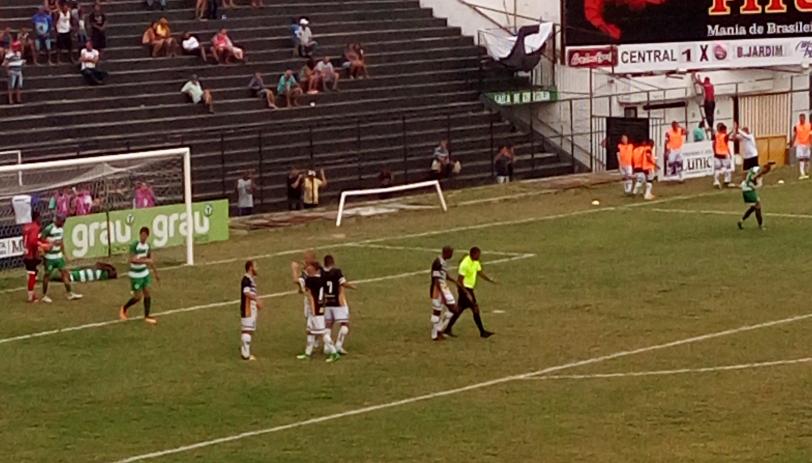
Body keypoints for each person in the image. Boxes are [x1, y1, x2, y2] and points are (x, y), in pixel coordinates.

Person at [443, 247, 496, 338]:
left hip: (469, 289)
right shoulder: (465, 264)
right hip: (464, 289)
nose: (479, 256)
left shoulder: (476, 262)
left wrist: (489, 279)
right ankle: (482, 332)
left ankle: (447, 329)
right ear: (472, 254)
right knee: (475, 308)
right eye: (477, 255)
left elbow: (479, 272)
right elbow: (460, 281)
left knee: (459, 310)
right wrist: (466, 293)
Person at [296, 262, 340, 362]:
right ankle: (307, 353)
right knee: (310, 332)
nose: (307, 268)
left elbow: (309, 295)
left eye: (309, 266)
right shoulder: (321, 279)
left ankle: (334, 353)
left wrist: (313, 309)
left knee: (322, 332)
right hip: (319, 307)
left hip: (314, 309)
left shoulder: (311, 280)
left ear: (314, 268)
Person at [119, 226, 159, 324]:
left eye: (145, 235)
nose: (143, 237)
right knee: (137, 297)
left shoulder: (147, 246)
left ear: (147, 236)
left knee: (147, 293)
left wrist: (156, 273)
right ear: (140, 235)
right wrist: (144, 260)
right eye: (142, 235)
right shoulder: (135, 245)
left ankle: (147, 315)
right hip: (135, 275)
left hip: (144, 273)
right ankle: (124, 308)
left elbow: (151, 260)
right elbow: (132, 259)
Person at [40, 215, 83, 303]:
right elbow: (41, 240)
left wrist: (64, 253)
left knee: (64, 273)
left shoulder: (61, 230)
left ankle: (69, 293)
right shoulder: (49, 229)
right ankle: (44, 295)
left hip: (58, 256)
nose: (63, 224)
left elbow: (61, 242)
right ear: (57, 220)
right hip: (50, 257)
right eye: (62, 222)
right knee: (47, 275)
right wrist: (47, 247)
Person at [322, 255, 355, 354]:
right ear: (333, 262)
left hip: (327, 302)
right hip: (337, 302)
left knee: (328, 325)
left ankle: (327, 347)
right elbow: (343, 283)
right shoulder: (336, 272)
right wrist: (352, 286)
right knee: (344, 325)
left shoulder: (322, 273)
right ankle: (338, 346)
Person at [430, 246, 458, 341]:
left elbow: (443, 274)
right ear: (446, 253)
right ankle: (435, 334)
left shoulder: (443, 261)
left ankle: (439, 329)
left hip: (444, 288)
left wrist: (453, 280)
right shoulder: (437, 262)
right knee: (437, 311)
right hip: (438, 289)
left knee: (453, 309)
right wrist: (441, 293)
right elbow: (436, 279)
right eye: (451, 253)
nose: (452, 255)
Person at [738, 162, 774, 231]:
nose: (766, 172)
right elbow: (754, 178)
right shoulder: (759, 174)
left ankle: (741, 221)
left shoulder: (754, 168)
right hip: (749, 190)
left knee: (753, 207)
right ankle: (760, 226)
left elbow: (746, 173)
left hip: (747, 188)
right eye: (767, 171)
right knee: (758, 206)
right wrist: (754, 181)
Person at [240, 260, 261, 361]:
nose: (257, 268)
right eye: (255, 266)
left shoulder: (250, 279)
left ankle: (245, 352)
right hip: (247, 307)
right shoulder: (246, 279)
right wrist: (256, 300)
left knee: (249, 330)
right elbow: (246, 292)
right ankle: (245, 355)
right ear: (250, 268)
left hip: (251, 308)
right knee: (247, 330)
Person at [22, 211, 43, 303]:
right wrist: (41, 246)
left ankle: (32, 294)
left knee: (30, 273)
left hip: (26, 253)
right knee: (32, 275)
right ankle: (31, 296)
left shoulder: (26, 226)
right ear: (37, 218)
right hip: (31, 254)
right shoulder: (35, 227)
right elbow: (33, 241)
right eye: (39, 217)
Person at [712, 122, 733, 188]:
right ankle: (727, 180)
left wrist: (714, 151)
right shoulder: (724, 136)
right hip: (724, 155)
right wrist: (733, 131)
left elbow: (713, 144)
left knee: (716, 169)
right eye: (725, 130)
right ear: (723, 130)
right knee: (728, 168)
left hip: (716, 154)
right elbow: (727, 137)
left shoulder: (716, 135)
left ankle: (716, 182)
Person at [792, 113, 811, 180]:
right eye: (800, 118)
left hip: (807, 143)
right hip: (800, 144)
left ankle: (807, 171)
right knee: (801, 159)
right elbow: (795, 134)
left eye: (802, 118)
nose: (801, 119)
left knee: (807, 159)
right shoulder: (797, 126)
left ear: (804, 118)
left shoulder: (809, 125)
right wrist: (792, 142)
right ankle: (802, 173)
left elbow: (810, 134)